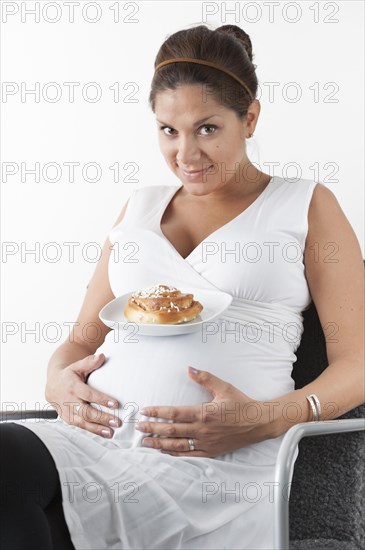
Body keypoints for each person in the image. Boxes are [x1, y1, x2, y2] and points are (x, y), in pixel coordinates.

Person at [1, 24, 364, 550]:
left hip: (212, 466)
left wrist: (261, 421)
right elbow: (80, 341)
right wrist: (57, 379)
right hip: (94, 442)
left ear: (251, 118)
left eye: (207, 129)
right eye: (169, 131)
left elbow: (357, 362)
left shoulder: (305, 205)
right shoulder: (139, 206)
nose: (186, 154)